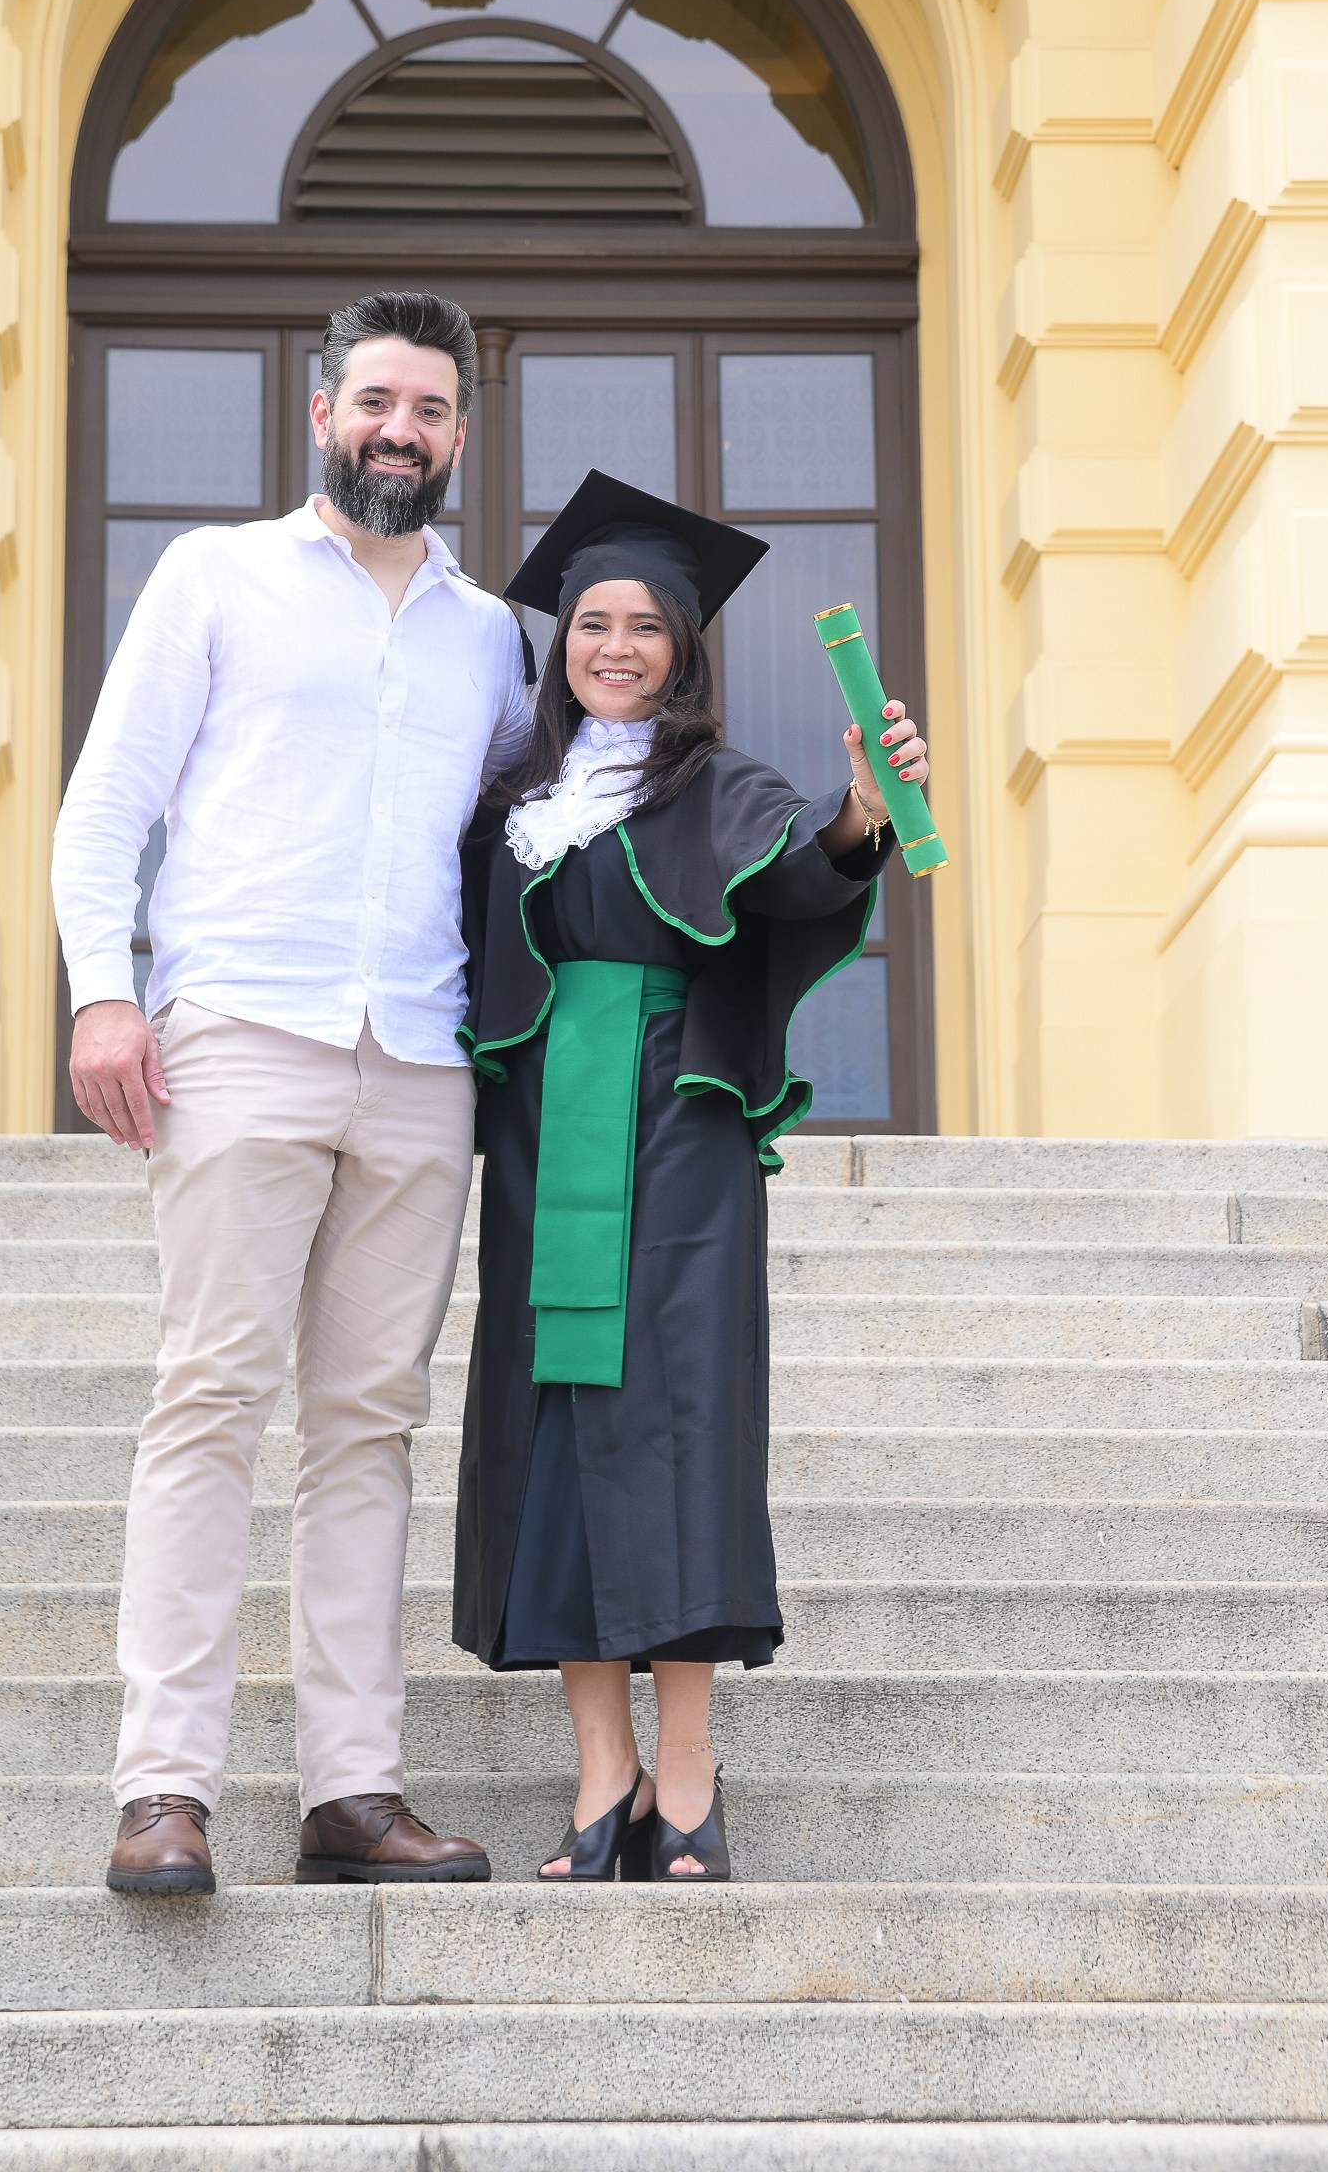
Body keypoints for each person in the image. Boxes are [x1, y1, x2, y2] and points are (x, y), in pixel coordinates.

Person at [52, 289, 530, 1895]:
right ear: (322, 411)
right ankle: (164, 1789)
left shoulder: (491, 636)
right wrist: (104, 988)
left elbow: (547, 830)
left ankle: (350, 1792)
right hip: (240, 1029)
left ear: (464, 435)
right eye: (378, 402)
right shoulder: (217, 576)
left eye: (434, 411)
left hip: (417, 1059)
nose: (404, 431)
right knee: (208, 1401)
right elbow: (110, 796)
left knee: (369, 1430)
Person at [452, 472, 929, 1883]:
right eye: (591, 622)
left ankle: (692, 1784)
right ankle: (603, 1782)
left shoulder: (717, 784)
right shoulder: (515, 803)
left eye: (644, 626)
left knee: (677, 1422)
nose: (614, 645)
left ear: (682, 650)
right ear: (562, 644)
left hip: (680, 1124)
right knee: (552, 1434)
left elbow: (805, 869)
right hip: (545, 1126)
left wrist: (863, 806)